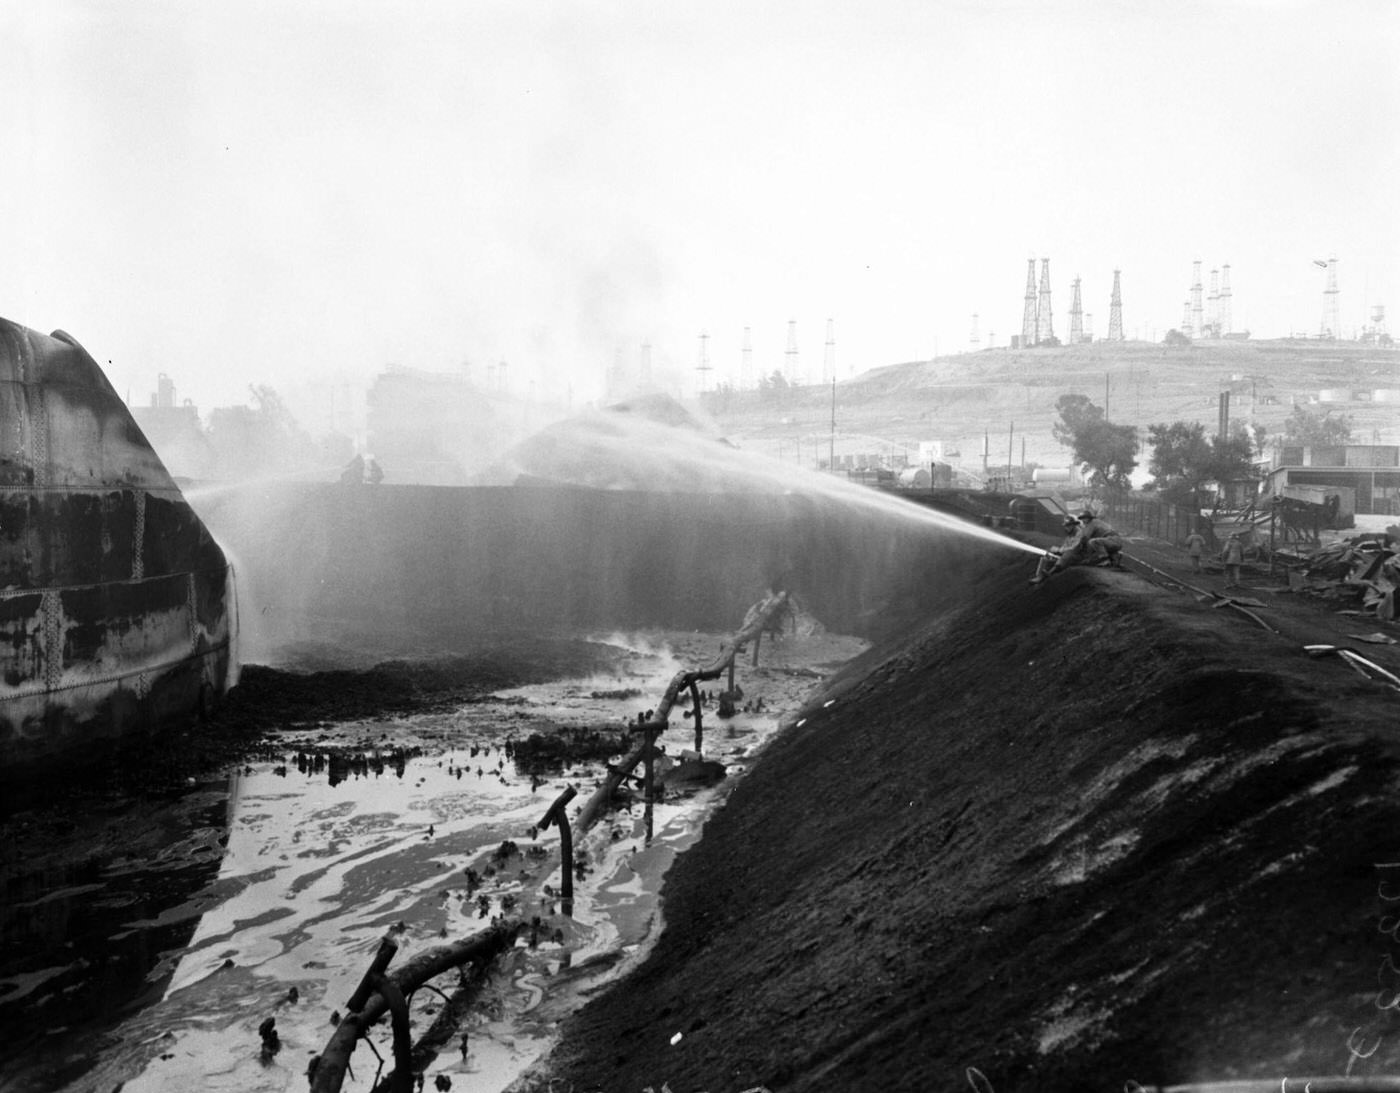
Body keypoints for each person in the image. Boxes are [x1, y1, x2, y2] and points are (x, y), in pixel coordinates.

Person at [1030, 517, 1088, 584]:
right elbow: (1065, 545)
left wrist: (1059, 550)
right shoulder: (1070, 535)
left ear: (1073, 525)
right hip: (1070, 554)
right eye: (1066, 526)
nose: (1066, 528)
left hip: (1079, 556)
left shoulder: (1080, 534)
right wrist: (1056, 550)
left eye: (1068, 526)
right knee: (1049, 553)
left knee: (1068, 553)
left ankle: (1050, 572)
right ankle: (1039, 575)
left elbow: (1074, 548)